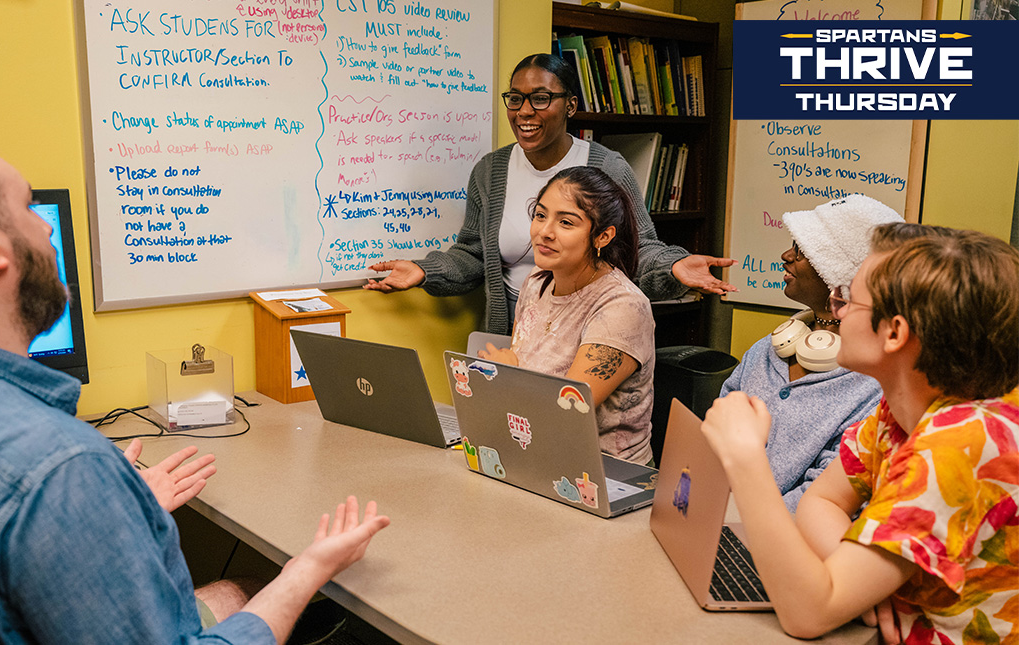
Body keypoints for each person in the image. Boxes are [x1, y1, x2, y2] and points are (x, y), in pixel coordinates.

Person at [0, 134, 391, 644]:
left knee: (240, 591)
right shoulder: (58, 466)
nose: (48, 232)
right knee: (280, 594)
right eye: (29, 208)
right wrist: (307, 569)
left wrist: (101, 512)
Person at [699, 223, 1019, 643]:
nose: (838, 311)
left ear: (894, 333)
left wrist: (746, 459)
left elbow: (809, 617)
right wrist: (853, 575)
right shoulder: (899, 409)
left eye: (849, 299)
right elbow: (825, 499)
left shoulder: (954, 449)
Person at [363, 53, 735, 334]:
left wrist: (673, 264)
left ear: (570, 105)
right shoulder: (490, 171)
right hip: (510, 332)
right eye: (516, 99)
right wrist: (423, 271)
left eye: (541, 98)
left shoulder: (607, 168)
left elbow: (638, 250)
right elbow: (473, 255)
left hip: (586, 330)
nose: (525, 112)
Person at [719, 194, 901, 512]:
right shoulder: (766, 350)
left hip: (777, 542)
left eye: (802, 251)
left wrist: (741, 523)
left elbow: (823, 501)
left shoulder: (875, 388)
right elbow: (716, 433)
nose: (786, 256)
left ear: (839, 275)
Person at [479, 166, 656, 465]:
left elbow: (566, 411)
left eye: (565, 222)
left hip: (603, 471)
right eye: (540, 215)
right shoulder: (537, 280)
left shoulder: (622, 307)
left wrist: (506, 378)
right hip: (535, 452)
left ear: (603, 236)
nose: (544, 232)